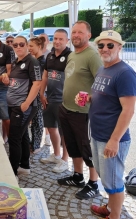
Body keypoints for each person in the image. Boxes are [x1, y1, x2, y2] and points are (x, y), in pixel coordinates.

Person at [85, 31, 136, 219]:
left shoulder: (125, 73)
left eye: (110, 45)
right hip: (98, 134)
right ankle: (110, 206)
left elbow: (129, 110)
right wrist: (89, 98)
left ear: (120, 47)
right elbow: (106, 96)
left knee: (114, 182)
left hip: (111, 137)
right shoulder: (103, 69)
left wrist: (114, 140)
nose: (105, 49)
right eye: (101, 45)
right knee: (105, 175)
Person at [57, 20, 103, 200]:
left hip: (84, 112)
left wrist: (90, 99)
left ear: (88, 35)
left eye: (80, 33)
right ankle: (77, 176)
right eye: (74, 32)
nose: (76, 35)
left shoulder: (92, 55)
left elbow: (101, 84)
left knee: (86, 147)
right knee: (72, 143)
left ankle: (93, 183)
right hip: (67, 108)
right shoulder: (72, 54)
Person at [2, 36, 42, 179]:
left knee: (14, 138)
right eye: (15, 45)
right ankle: (24, 166)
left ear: (26, 45)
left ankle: (11, 172)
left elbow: (37, 83)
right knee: (23, 135)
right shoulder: (15, 62)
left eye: (21, 44)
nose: (18, 47)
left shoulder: (32, 61)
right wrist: (7, 81)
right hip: (13, 105)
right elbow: (14, 83)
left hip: (23, 106)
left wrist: (26, 104)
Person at [39, 29, 71, 173]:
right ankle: (56, 155)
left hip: (63, 100)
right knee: (51, 127)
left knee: (65, 132)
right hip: (49, 98)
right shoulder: (50, 55)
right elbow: (45, 76)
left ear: (67, 41)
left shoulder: (70, 56)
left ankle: (65, 160)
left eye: (61, 39)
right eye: (56, 38)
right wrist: (41, 93)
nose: (57, 41)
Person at [27, 36, 46, 154]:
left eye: (31, 46)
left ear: (39, 47)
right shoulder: (35, 60)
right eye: (28, 46)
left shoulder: (41, 62)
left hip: (38, 94)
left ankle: (36, 145)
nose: (29, 48)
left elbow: (40, 81)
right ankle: (33, 143)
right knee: (34, 120)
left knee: (37, 120)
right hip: (33, 93)